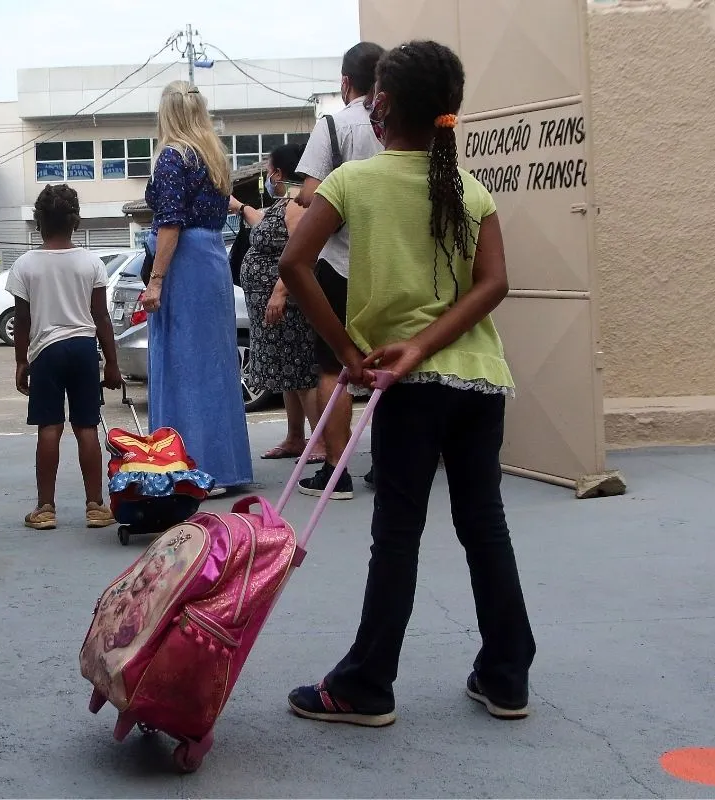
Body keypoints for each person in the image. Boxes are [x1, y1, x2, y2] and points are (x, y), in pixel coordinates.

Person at [278, 40, 536, 726]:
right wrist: (429, 340)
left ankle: (367, 684)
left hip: (408, 387)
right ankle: (507, 674)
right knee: (484, 525)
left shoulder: (354, 182)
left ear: (380, 105)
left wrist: (348, 350)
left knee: (397, 531)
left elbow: (295, 263)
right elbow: (495, 283)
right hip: (479, 380)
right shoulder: (468, 189)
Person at [142, 80, 253, 493]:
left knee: (183, 365)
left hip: (183, 264)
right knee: (216, 364)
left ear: (167, 114)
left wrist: (156, 280)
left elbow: (170, 223)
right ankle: (226, 464)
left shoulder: (172, 157)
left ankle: (191, 467)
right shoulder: (213, 157)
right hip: (212, 260)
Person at [294, 41, 386, 500]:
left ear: (345, 82)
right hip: (389, 265)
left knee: (333, 365)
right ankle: (387, 464)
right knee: (389, 360)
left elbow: (310, 194)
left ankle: (337, 468)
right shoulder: (398, 124)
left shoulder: (334, 124)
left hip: (341, 263)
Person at [6, 184, 123, 531]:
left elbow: (22, 320)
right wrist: (112, 363)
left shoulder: (25, 265)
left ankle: (45, 508)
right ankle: (96, 506)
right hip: (85, 349)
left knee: (50, 428)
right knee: (86, 426)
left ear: (39, 221)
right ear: (75, 221)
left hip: (46, 353)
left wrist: (21, 361)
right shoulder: (91, 262)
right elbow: (101, 317)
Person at [229, 143, 322, 464]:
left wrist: (280, 291)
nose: (267, 177)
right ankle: (295, 437)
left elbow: (301, 252)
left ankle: (320, 441)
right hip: (270, 307)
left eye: (269, 172)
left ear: (279, 174)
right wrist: (239, 207)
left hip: (288, 305)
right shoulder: (282, 204)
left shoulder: (298, 204)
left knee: (300, 371)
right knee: (286, 374)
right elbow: (263, 222)